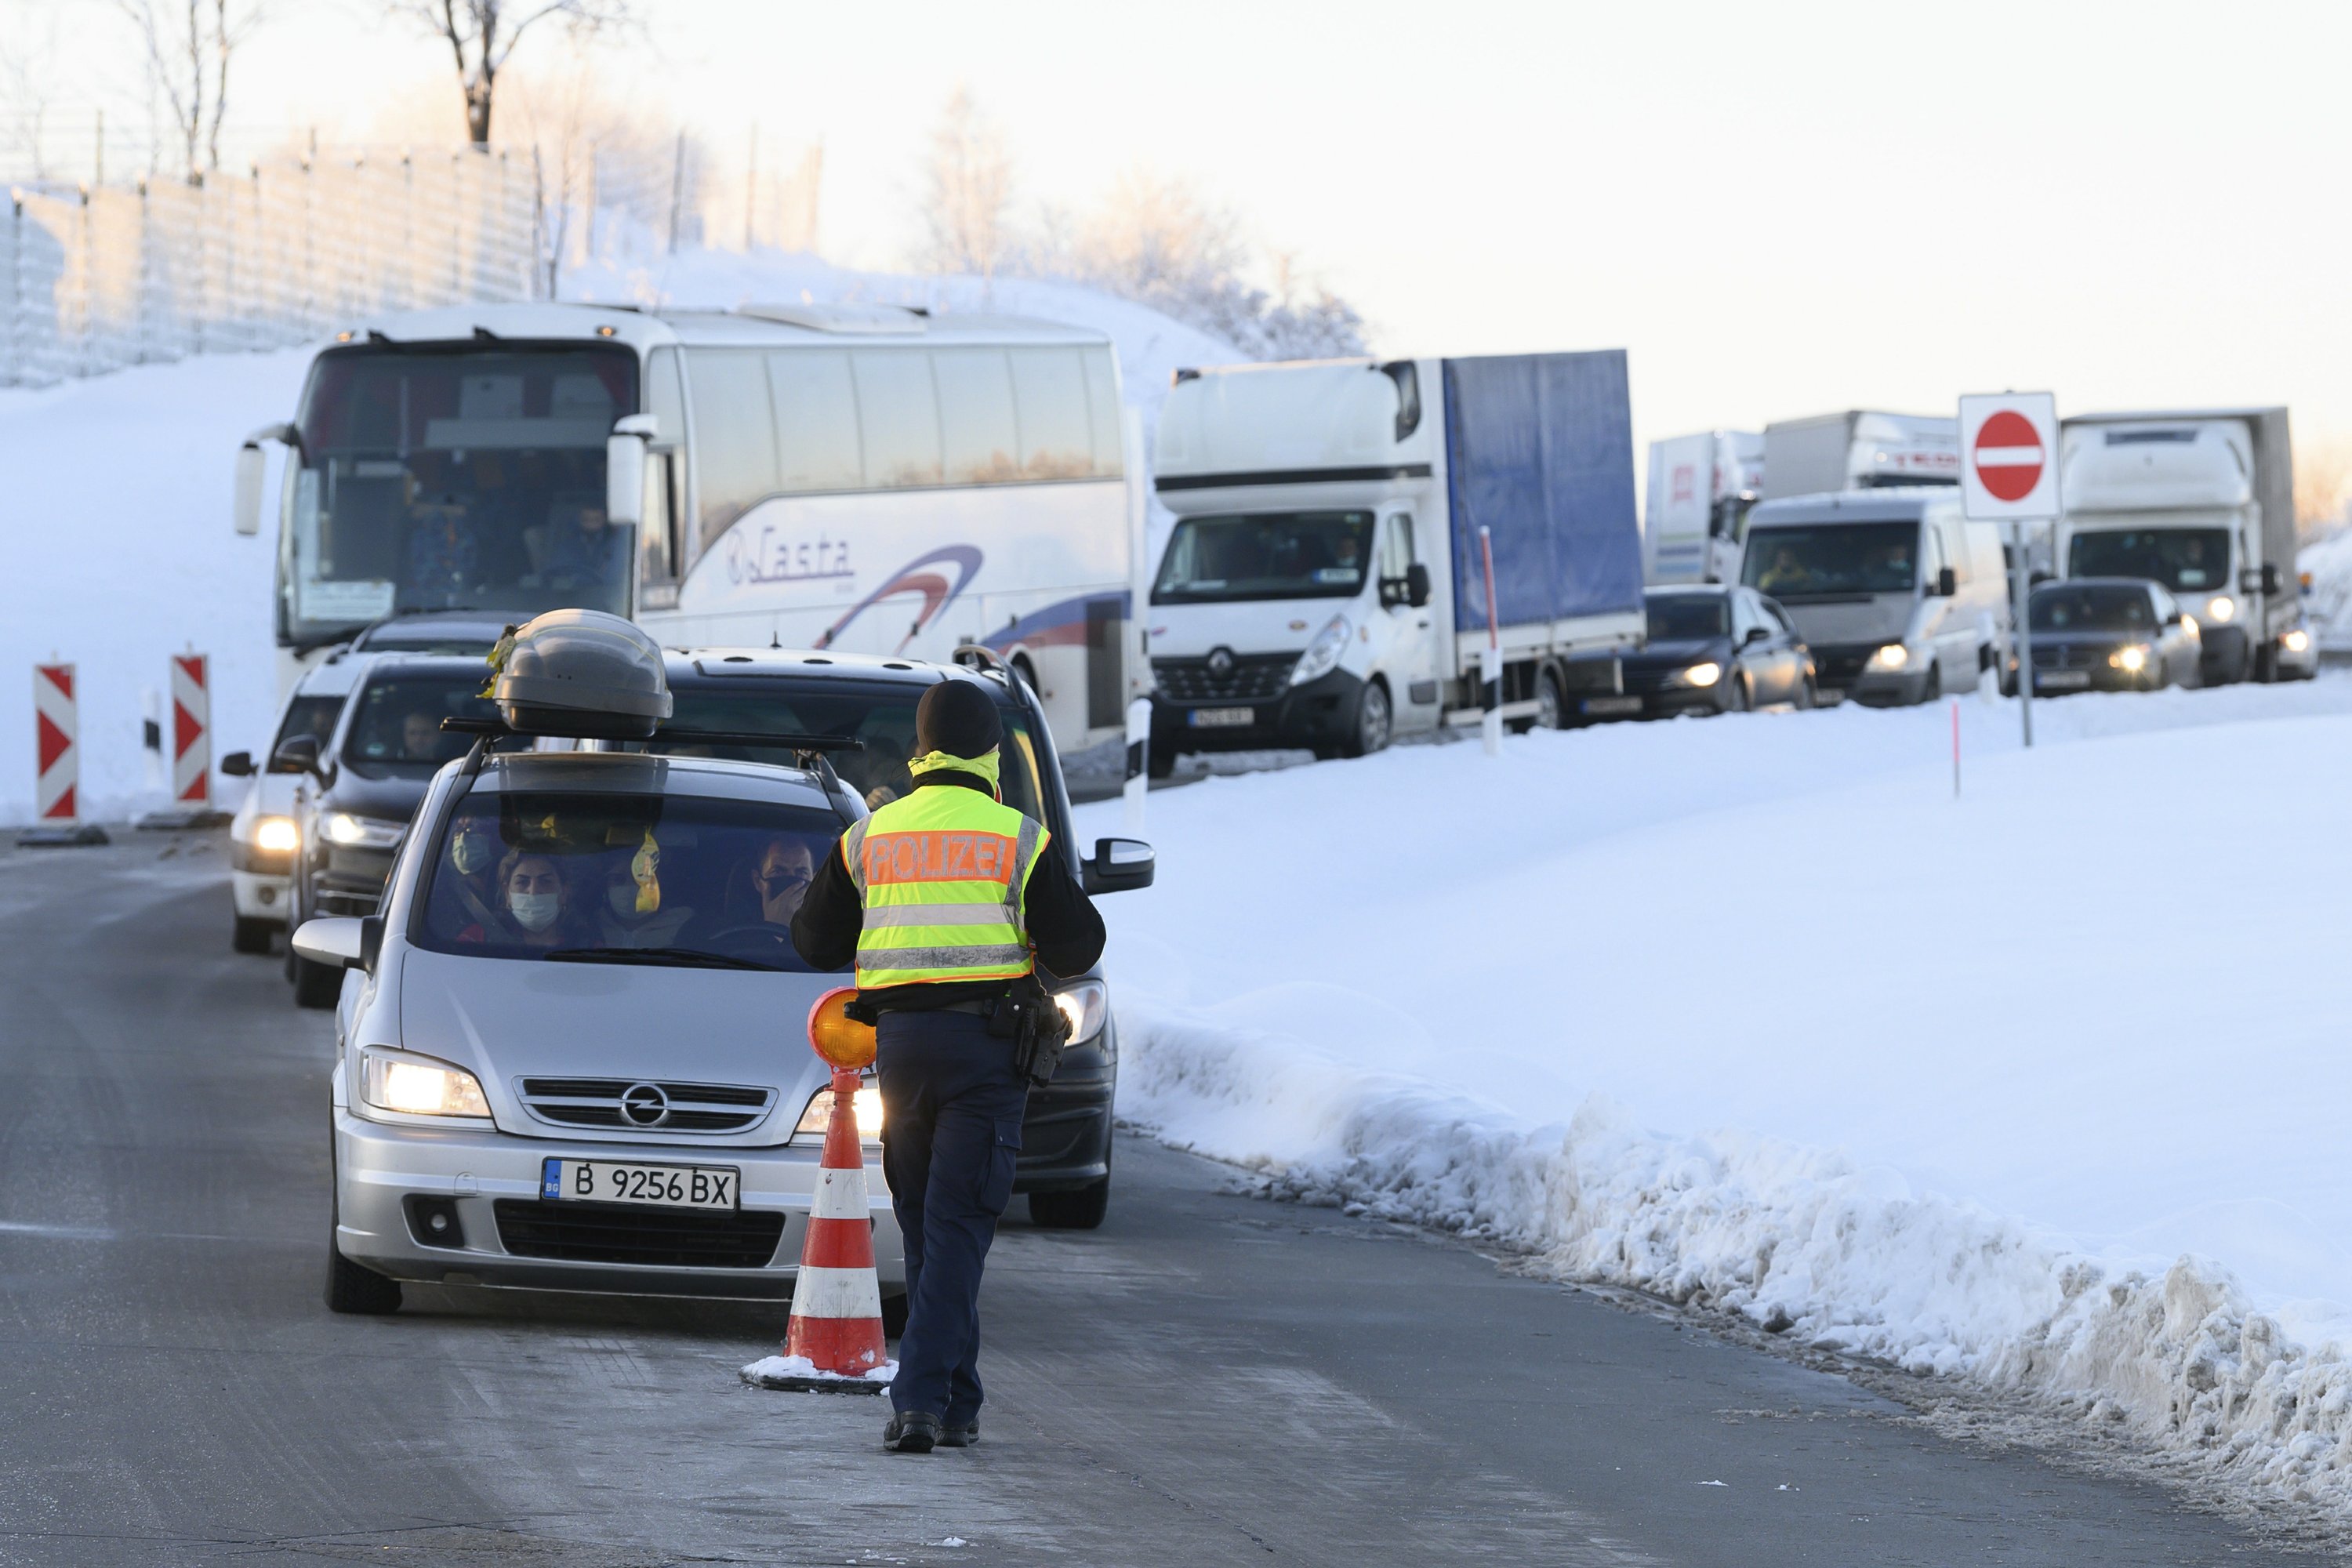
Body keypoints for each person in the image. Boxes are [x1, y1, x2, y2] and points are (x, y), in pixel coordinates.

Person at [792, 679, 1105, 1455]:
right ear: (991, 757)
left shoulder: (870, 836)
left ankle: (958, 1398)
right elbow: (1080, 946)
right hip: (984, 1055)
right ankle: (921, 1399)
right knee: (959, 1223)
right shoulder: (1016, 836)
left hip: (900, 1053)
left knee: (929, 1219)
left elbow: (812, 939)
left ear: (919, 755)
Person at [499, 851, 576, 950]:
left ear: (564, 892)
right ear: (507, 893)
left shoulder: (589, 945)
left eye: (546, 881)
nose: (533, 891)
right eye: (523, 882)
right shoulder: (480, 937)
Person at [752, 837, 815, 926]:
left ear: (815, 879)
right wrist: (775, 925)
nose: (791, 882)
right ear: (758, 881)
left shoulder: (830, 925)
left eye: (802, 872)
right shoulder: (739, 933)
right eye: (778, 872)